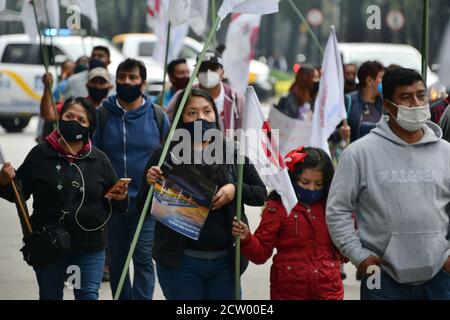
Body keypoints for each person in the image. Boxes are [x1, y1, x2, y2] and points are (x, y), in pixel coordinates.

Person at [327, 67, 450, 300]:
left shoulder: (446, 153)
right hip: (380, 277)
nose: (416, 103)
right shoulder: (359, 154)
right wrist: (358, 256)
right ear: (387, 106)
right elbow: (337, 209)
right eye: (406, 97)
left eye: (421, 95)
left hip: (440, 277)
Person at [139, 88, 267, 300]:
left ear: (215, 116)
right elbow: (141, 207)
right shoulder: (165, 154)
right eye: (192, 113)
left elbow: (260, 193)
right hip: (180, 263)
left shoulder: (232, 152)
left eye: (207, 111)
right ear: (181, 118)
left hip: (226, 263)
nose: (201, 118)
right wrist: (151, 183)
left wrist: (235, 189)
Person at [0, 97, 128, 300]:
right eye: (69, 116)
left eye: (81, 120)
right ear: (60, 119)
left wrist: (120, 197)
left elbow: (118, 205)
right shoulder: (40, 154)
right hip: (49, 246)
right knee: (50, 296)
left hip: (89, 247)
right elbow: (18, 195)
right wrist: (5, 180)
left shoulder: (99, 159)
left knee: (88, 295)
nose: (74, 122)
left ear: (90, 128)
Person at [92, 58, 170, 300]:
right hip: (114, 204)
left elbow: (170, 156)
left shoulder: (158, 115)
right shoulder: (102, 115)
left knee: (143, 257)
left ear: (143, 83)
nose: (127, 82)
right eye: (122, 77)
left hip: (147, 202)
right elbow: (93, 156)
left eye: (133, 77)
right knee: (117, 260)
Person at [232, 146, 345, 300]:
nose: (312, 189)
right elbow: (261, 254)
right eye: (305, 182)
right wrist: (247, 239)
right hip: (289, 292)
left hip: (328, 290)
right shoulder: (278, 207)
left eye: (318, 184)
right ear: (292, 179)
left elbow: (345, 252)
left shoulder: (333, 207)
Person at [166, 50, 244, 132]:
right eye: (204, 68)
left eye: (213, 68)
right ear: (196, 72)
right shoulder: (183, 96)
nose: (208, 72)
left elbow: (245, 132)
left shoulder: (236, 99)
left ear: (222, 73)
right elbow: (168, 127)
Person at [38, 67, 114, 143]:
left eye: (102, 83)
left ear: (110, 86)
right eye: (94, 82)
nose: (97, 86)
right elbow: (47, 114)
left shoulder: (113, 109)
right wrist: (47, 88)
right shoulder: (76, 106)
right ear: (87, 85)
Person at [340, 61, 384, 144]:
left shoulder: (384, 104)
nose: (384, 82)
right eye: (381, 77)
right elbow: (331, 130)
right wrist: (340, 134)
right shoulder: (348, 101)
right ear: (369, 80)